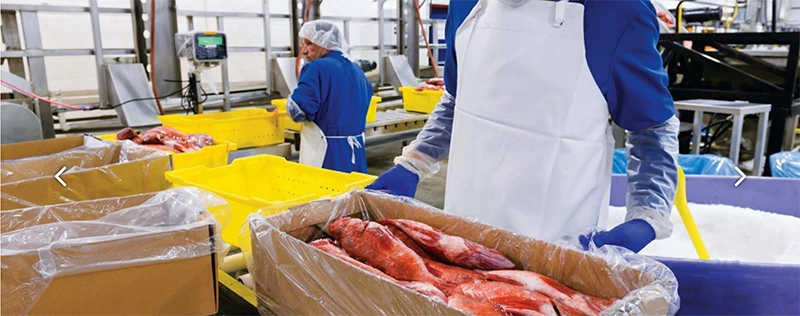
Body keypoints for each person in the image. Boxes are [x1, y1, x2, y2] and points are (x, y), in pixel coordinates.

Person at [367, 0, 680, 253]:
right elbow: (457, 98)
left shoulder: (616, 13)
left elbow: (652, 129)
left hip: (560, 244)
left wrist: (647, 215)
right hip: (463, 227)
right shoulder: (464, 5)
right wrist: (416, 162)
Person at [286, 20, 373, 173]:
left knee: (326, 195)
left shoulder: (316, 68)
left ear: (323, 42)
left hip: (327, 155)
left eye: (308, 43)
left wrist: (291, 101)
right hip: (356, 154)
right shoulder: (358, 71)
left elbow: (299, 111)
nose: (304, 51)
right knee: (352, 195)